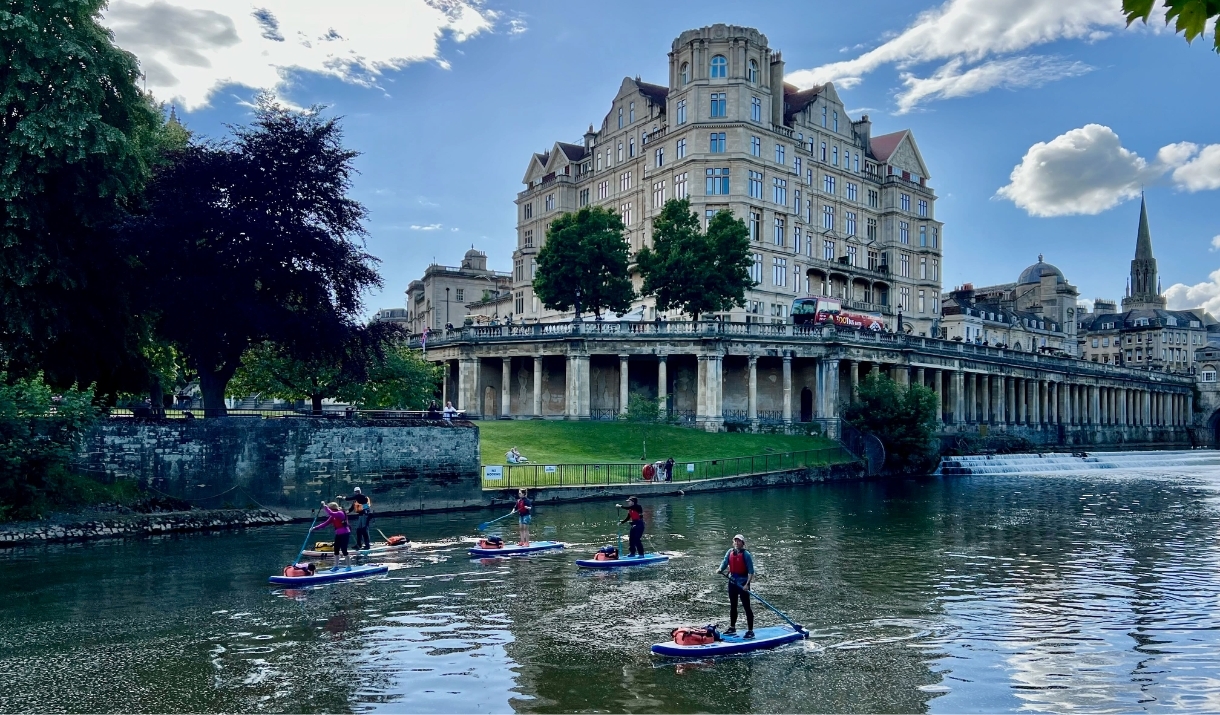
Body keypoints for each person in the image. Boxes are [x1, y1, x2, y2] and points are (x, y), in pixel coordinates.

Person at [717, 534, 755, 638]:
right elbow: (724, 562)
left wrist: (747, 585)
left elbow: (751, 572)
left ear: (743, 543)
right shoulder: (730, 552)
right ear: (733, 542)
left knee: (747, 606)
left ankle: (750, 631)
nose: (737, 543)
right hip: (733, 582)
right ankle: (732, 628)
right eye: (736, 541)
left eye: (739, 541)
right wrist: (720, 569)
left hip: (743, 583)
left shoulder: (746, 554)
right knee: (733, 606)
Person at [312, 502, 351, 570]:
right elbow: (325, 523)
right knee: (336, 550)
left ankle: (348, 566)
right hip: (338, 534)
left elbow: (330, 513)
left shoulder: (340, 513)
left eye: (329, 509)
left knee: (344, 549)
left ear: (332, 509)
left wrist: (324, 506)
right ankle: (336, 566)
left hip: (345, 533)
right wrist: (315, 528)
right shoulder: (332, 516)